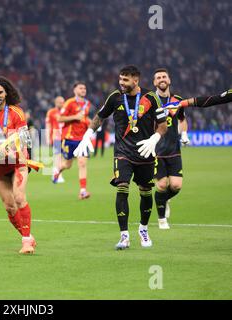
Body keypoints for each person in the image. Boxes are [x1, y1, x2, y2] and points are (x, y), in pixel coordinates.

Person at [74, 65, 168, 250]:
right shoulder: (115, 97)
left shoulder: (151, 98)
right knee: (122, 187)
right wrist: (87, 136)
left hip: (145, 152)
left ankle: (143, 229)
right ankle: (124, 236)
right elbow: (99, 117)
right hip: (123, 153)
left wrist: (155, 138)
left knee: (145, 192)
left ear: (136, 80)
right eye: (120, 79)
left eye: (125, 80)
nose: (121, 83)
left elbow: (163, 125)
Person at [0, 76, 36, 254]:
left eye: (0, 92)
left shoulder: (16, 113)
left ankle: (26, 242)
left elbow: (25, 140)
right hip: (0, 168)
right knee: (9, 206)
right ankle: (28, 236)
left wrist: (13, 151)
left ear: (6, 94)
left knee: (19, 198)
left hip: (18, 162)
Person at [153, 68, 189, 229]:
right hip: (156, 151)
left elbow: (182, 119)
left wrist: (185, 133)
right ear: (155, 82)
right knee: (161, 185)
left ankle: (165, 199)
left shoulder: (177, 100)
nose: (162, 79)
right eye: (158, 77)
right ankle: (162, 219)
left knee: (176, 186)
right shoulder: (150, 100)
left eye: (164, 77)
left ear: (169, 80)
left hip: (174, 150)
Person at [53, 82, 92, 200]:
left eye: (84, 88)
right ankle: (58, 170)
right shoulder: (69, 103)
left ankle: (83, 191)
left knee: (82, 163)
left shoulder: (87, 103)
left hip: (82, 139)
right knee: (67, 165)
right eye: (81, 88)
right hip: (70, 138)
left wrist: (89, 123)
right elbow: (59, 118)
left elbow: (84, 118)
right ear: (75, 90)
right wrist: (75, 117)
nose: (83, 90)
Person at [45, 96, 65, 183]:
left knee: (64, 158)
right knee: (57, 156)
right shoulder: (51, 112)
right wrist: (47, 137)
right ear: (56, 103)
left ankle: (56, 171)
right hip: (56, 136)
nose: (62, 104)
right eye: (60, 102)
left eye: (63, 102)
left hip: (65, 136)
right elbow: (48, 126)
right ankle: (58, 175)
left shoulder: (66, 111)